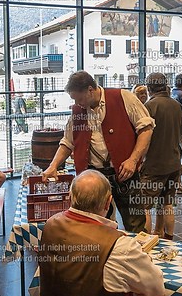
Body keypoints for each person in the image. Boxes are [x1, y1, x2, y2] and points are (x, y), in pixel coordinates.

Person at [42, 70, 155, 232]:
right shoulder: (77, 111)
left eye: (79, 98)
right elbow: (67, 142)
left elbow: (146, 128)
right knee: (97, 225)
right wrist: (53, 166)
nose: (77, 103)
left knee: (135, 223)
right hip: (93, 177)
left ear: (90, 89)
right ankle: (106, 255)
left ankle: (139, 255)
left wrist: (133, 159)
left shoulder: (123, 97)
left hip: (125, 173)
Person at [38, 170, 165, 296]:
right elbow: (156, 290)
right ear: (108, 202)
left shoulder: (50, 224)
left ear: (70, 197)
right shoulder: (120, 245)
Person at [141, 73, 182, 239]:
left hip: (153, 165)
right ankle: (166, 237)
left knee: (144, 206)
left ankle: (146, 241)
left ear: (149, 88)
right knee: (167, 203)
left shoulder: (149, 107)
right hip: (174, 163)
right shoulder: (176, 105)